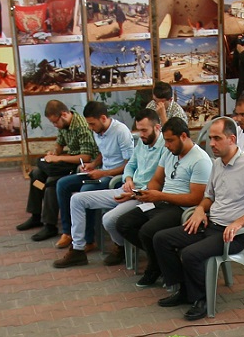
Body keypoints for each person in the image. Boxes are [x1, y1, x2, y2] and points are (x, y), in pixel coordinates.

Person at [151, 117, 244, 321]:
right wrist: (200, 209)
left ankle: (202, 299)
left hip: (233, 234)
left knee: (190, 254)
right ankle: (184, 290)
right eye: (210, 138)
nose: (211, 143)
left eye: (217, 138)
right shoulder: (217, 164)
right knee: (161, 239)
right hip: (211, 224)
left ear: (232, 139)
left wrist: (239, 222)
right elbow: (209, 196)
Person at [109, 118, 210, 288]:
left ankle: (156, 267)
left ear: (183, 136)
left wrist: (160, 195)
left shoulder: (200, 160)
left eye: (170, 140)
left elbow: (196, 198)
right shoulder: (169, 153)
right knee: (123, 223)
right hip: (162, 201)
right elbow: (156, 180)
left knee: (147, 231)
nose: (167, 145)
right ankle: (159, 261)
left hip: (182, 208)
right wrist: (138, 194)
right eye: (166, 140)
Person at [62, 110, 166, 268]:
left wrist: (134, 193)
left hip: (144, 196)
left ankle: (121, 246)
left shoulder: (165, 147)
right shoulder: (142, 143)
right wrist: (128, 179)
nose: (141, 134)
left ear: (157, 127)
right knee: (77, 199)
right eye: (139, 130)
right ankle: (78, 250)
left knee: (109, 219)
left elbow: (160, 182)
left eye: (144, 130)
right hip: (127, 190)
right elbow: (130, 165)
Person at [51, 102, 132, 251]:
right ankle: (68, 232)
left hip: (116, 177)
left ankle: (88, 239)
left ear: (103, 118)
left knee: (86, 191)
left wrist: (104, 173)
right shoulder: (97, 130)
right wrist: (93, 164)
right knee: (62, 184)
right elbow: (102, 152)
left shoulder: (121, 131)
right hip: (101, 172)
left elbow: (130, 165)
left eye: (92, 124)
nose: (90, 127)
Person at [17, 99, 99, 241]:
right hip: (66, 163)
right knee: (36, 175)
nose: (55, 125)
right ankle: (36, 215)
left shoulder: (81, 127)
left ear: (64, 115)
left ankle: (50, 225)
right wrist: (54, 153)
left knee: (51, 183)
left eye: (55, 122)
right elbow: (60, 144)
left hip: (80, 166)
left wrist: (59, 158)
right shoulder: (64, 125)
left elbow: (86, 157)